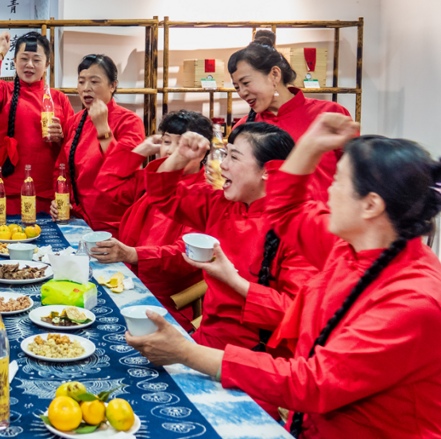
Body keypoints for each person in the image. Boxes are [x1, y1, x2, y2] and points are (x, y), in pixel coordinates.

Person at [125, 113, 441, 439]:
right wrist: (309, 143)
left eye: (337, 183)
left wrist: (186, 352)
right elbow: (286, 207)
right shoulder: (351, 248)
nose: (326, 193)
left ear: (371, 205)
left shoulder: (415, 300)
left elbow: (311, 384)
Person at [143, 123, 317, 351]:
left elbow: (296, 313)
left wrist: (233, 280)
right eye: (224, 154)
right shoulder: (222, 204)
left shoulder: (301, 226)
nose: (222, 164)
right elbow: (162, 194)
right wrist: (180, 156)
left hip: (257, 357)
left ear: (267, 170)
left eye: (233, 157)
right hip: (207, 340)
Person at [90, 110, 210, 331]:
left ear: (202, 152)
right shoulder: (152, 180)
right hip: (127, 283)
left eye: (183, 144)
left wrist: (131, 254)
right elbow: (107, 182)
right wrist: (144, 148)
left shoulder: (203, 196)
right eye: (166, 142)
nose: (172, 150)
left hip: (166, 302)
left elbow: (183, 256)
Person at [227, 29, 353, 201]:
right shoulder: (243, 128)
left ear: (275, 74)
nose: (242, 92)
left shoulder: (329, 114)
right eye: (236, 87)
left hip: (323, 222)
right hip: (270, 224)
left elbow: (355, 174)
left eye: (246, 83)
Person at [0, 31, 73, 215]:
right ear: (14, 61)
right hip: (3, 192)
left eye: (36, 60)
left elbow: (72, 149)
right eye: (24, 58)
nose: (29, 65)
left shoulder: (59, 99)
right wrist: (0, 51)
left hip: (46, 195)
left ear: (47, 65)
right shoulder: (4, 92)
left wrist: (60, 139)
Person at [49, 54, 145, 234]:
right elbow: (62, 169)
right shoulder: (74, 122)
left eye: (94, 82)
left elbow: (123, 167)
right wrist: (61, 199)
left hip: (114, 223)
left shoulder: (130, 121)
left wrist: (102, 127)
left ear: (113, 85)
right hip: (77, 220)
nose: (86, 88)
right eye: (81, 81)